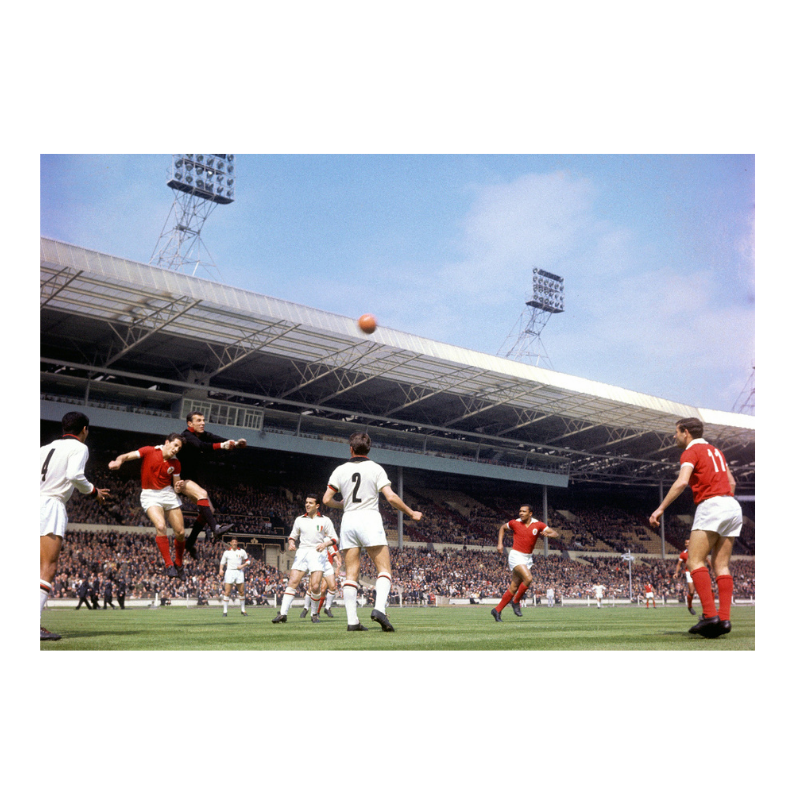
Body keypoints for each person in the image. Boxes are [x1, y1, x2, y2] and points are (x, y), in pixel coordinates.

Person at [649, 417, 742, 638]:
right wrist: (725, 502)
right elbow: (733, 483)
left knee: (694, 560)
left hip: (711, 505)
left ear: (686, 432)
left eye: (676, 432)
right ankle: (724, 619)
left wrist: (660, 509)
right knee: (722, 565)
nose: (674, 436)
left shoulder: (690, 451)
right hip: (732, 505)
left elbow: (682, 482)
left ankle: (710, 616)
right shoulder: (716, 451)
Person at [323, 432, 422, 632]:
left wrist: (342, 504)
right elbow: (391, 497)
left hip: (349, 520)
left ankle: (352, 622)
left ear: (350, 449)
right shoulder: (376, 468)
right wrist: (411, 513)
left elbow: (326, 500)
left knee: (351, 573)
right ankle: (378, 609)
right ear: (369, 449)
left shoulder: (340, 470)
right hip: (369, 518)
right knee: (384, 569)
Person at [40, 411, 110, 640]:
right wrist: (93, 491)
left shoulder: (44, 448)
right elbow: (74, 475)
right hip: (50, 505)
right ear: (84, 430)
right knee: (47, 567)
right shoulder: (79, 447)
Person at [108, 434, 187, 579]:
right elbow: (125, 456)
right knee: (161, 526)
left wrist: (179, 486)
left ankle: (179, 564)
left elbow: (176, 486)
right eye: (175, 445)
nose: (176, 449)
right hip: (150, 495)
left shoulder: (176, 464)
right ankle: (169, 565)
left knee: (181, 532)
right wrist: (118, 461)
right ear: (167, 442)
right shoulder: (149, 451)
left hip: (167, 494)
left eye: (179, 448)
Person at [180, 413, 243, 557]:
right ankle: (215, 528)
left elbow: (216, 438)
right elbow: (201, 446)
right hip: (179, 478)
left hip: (191, 477)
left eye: (203, 420)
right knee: (203, 495)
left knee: (210, 510)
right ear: (190, 424)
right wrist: (223, 445)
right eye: (198, 421)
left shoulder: (202, 434)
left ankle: (190, 543)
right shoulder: (187, 436)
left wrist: (235, 444)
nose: (202, 423)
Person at [273, 493, 338, 624]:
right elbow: (292, 536)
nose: (307, 505)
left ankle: (314, 614)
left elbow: (335, 539)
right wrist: (291, 543)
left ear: (317, 505)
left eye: (311, 503)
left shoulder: (325, 520)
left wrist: (325, 544)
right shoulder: (299, 519)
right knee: (293, 582)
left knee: (315, 586)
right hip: (302, 552)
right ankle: (283, 614)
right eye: (306, 502)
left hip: (318, 552)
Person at [491, 505, 558, 621]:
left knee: (514, 587)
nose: (521, 513)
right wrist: (499, 544)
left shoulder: (538, 524)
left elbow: (555, 533)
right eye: (520, 511)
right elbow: (502, 528)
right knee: (528, 578)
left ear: (530, 513)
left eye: (524, 511)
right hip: (516, 555)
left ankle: (496, 610)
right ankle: (516, 602)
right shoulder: (514, 523)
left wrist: (548, 534)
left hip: (527, 558)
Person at [219, 537, 251, 616]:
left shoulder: (242, 551)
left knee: (241, 592)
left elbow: (248, 561)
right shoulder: (227, 552)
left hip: (239, 572)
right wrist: (221, 570)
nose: (234, 543)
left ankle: (243, 610)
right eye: (233, 542)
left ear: (237, 543)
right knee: (227, 592)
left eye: (235, 542)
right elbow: (222, 562)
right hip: (230, 572)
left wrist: (242, 566)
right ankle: (225, 611)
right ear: (230, 543)